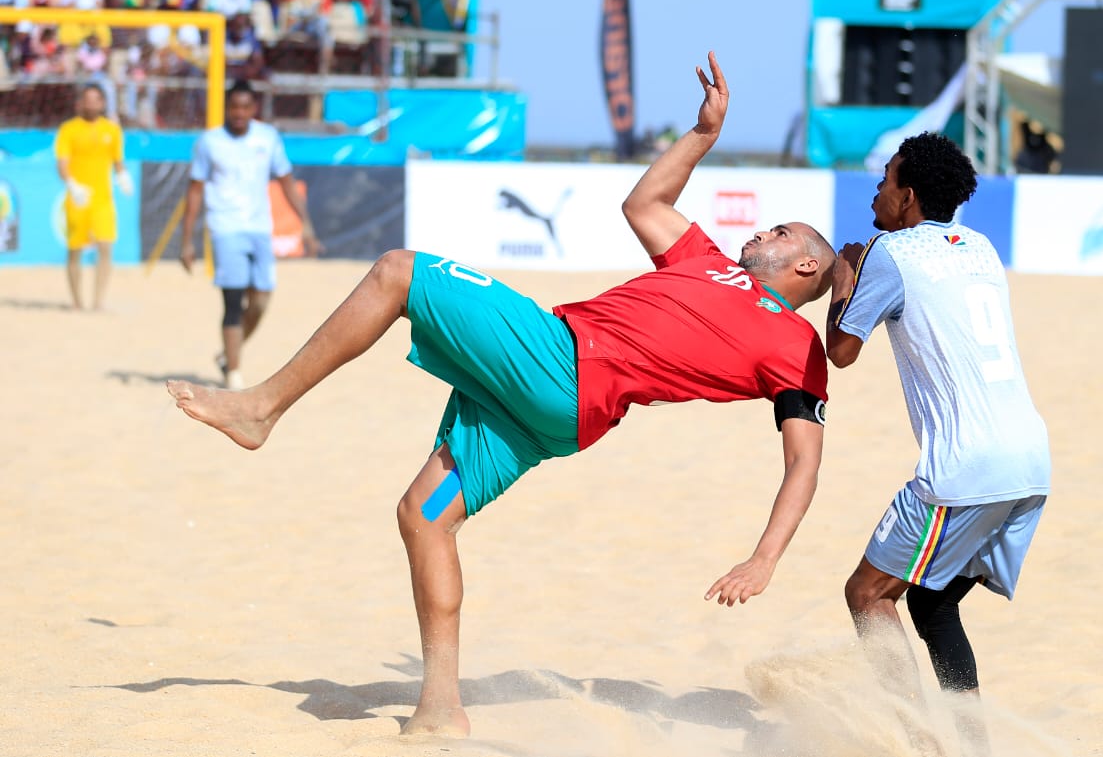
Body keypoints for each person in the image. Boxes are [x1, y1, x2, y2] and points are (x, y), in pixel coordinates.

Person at [166, 52, 836, 738]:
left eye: (780, 232)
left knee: (398, 272)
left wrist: (765, 556)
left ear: (807, 264)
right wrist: (702, 135)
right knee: (424, 516)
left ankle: (261, 407)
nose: (760, 231)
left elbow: (804, 462)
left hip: (561, 363)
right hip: (554, 414)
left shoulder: (795, 345)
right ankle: (440, 707)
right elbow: (643, 205)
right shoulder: (707, 263)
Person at [826, 132, 1051, 756]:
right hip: (1030, 462)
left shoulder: (889, 252)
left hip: (964, 469)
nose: (878, 188)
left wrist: (845, 277)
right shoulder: (979, 246)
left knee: (867, 594)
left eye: (887, 178)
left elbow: (840, 354)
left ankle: (924, 747)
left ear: (910, 196)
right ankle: (972, 747)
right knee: (930, 602)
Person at [178, 81, 319, 390]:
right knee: (232, 300)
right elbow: (195, 190)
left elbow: (285, 180)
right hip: (225, 228)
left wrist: (305, 223)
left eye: (245, 107)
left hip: (259, 228)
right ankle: (233, 372)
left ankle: (229, 354)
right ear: (226, 108)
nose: (239, 113)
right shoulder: (209, 142)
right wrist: (187, 240)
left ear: (253, 109)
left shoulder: (267, 138)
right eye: (234, 107)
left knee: (261, 301)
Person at [54, 84, 133, 310]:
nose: (90, 104)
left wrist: (123, 176)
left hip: (102, 199)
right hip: (77, 199)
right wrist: (72, 185)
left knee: (106, 247)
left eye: (95, 99)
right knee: (75, 250)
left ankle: (98, 301)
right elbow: (62, 164)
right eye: (86, 99)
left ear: (102, 103)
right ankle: (77, 302)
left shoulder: (112, 130)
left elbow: (118, 162)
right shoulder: (68, 129)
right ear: (80, 103)